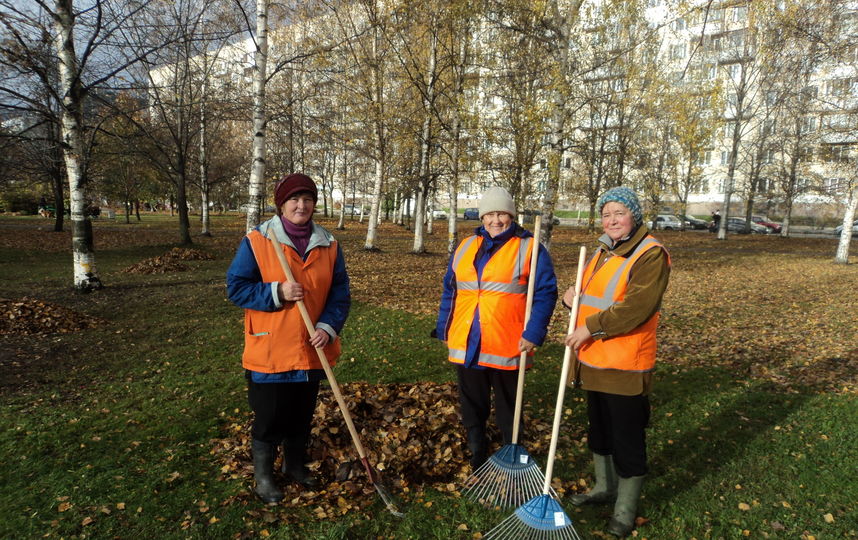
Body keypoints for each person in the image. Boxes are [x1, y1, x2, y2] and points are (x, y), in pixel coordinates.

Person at [226, 173, 351, 503]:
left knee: (300, 414)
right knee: (269, 418)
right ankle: (264, 478)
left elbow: (340, 292)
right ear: (281, 204)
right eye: (294, 199)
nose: (301, 205)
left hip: (312, 349)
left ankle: (294, 466)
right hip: (271, 348)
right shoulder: (258, 240)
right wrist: (276, 291)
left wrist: (327, 326)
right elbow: (236, 288)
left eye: (307, 199)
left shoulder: (328, 243)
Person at [562, 186, 670, 538]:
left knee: (627, 437)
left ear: (633, 216)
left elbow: (636, 308)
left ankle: (625, 510)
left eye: (618, 213)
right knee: (600, 430)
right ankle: (603, 487)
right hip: (593, 358)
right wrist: (570, 299)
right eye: (606, 214)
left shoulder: (649, 254)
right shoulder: (604, 251)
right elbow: (594, 296)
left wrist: (590, 328)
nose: (611, 220)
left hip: (624, 363)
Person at [435, 187, 558, 470]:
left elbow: (545, 292)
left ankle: (511, 452)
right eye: (490, 214)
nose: (495, 220)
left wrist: (534, 333)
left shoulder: (529, 247)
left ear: (511, 215)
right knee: (472, 403)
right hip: (469, 340)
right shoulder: (466, 246)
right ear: (482, 216)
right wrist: (445, 328)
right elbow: (450, 290)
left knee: (509, 406)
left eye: (501, 213)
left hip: (508, 341)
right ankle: (477, 452)